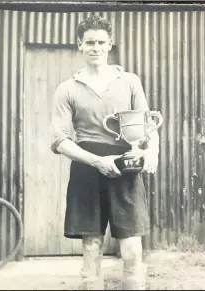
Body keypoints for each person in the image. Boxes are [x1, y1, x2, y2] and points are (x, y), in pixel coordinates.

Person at [50, 14, 160, 290]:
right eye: (89, 43)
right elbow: (60, 140)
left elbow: (148, 126)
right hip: (88, 167)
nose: (95, 47)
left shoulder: (130, 81)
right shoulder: (67, 89)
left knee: (132, 248)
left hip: (126, 165)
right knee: (92, 248)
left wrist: (152, 153)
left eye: (101, 42)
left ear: (110, 45)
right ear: (79, 45)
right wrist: (97, 161)